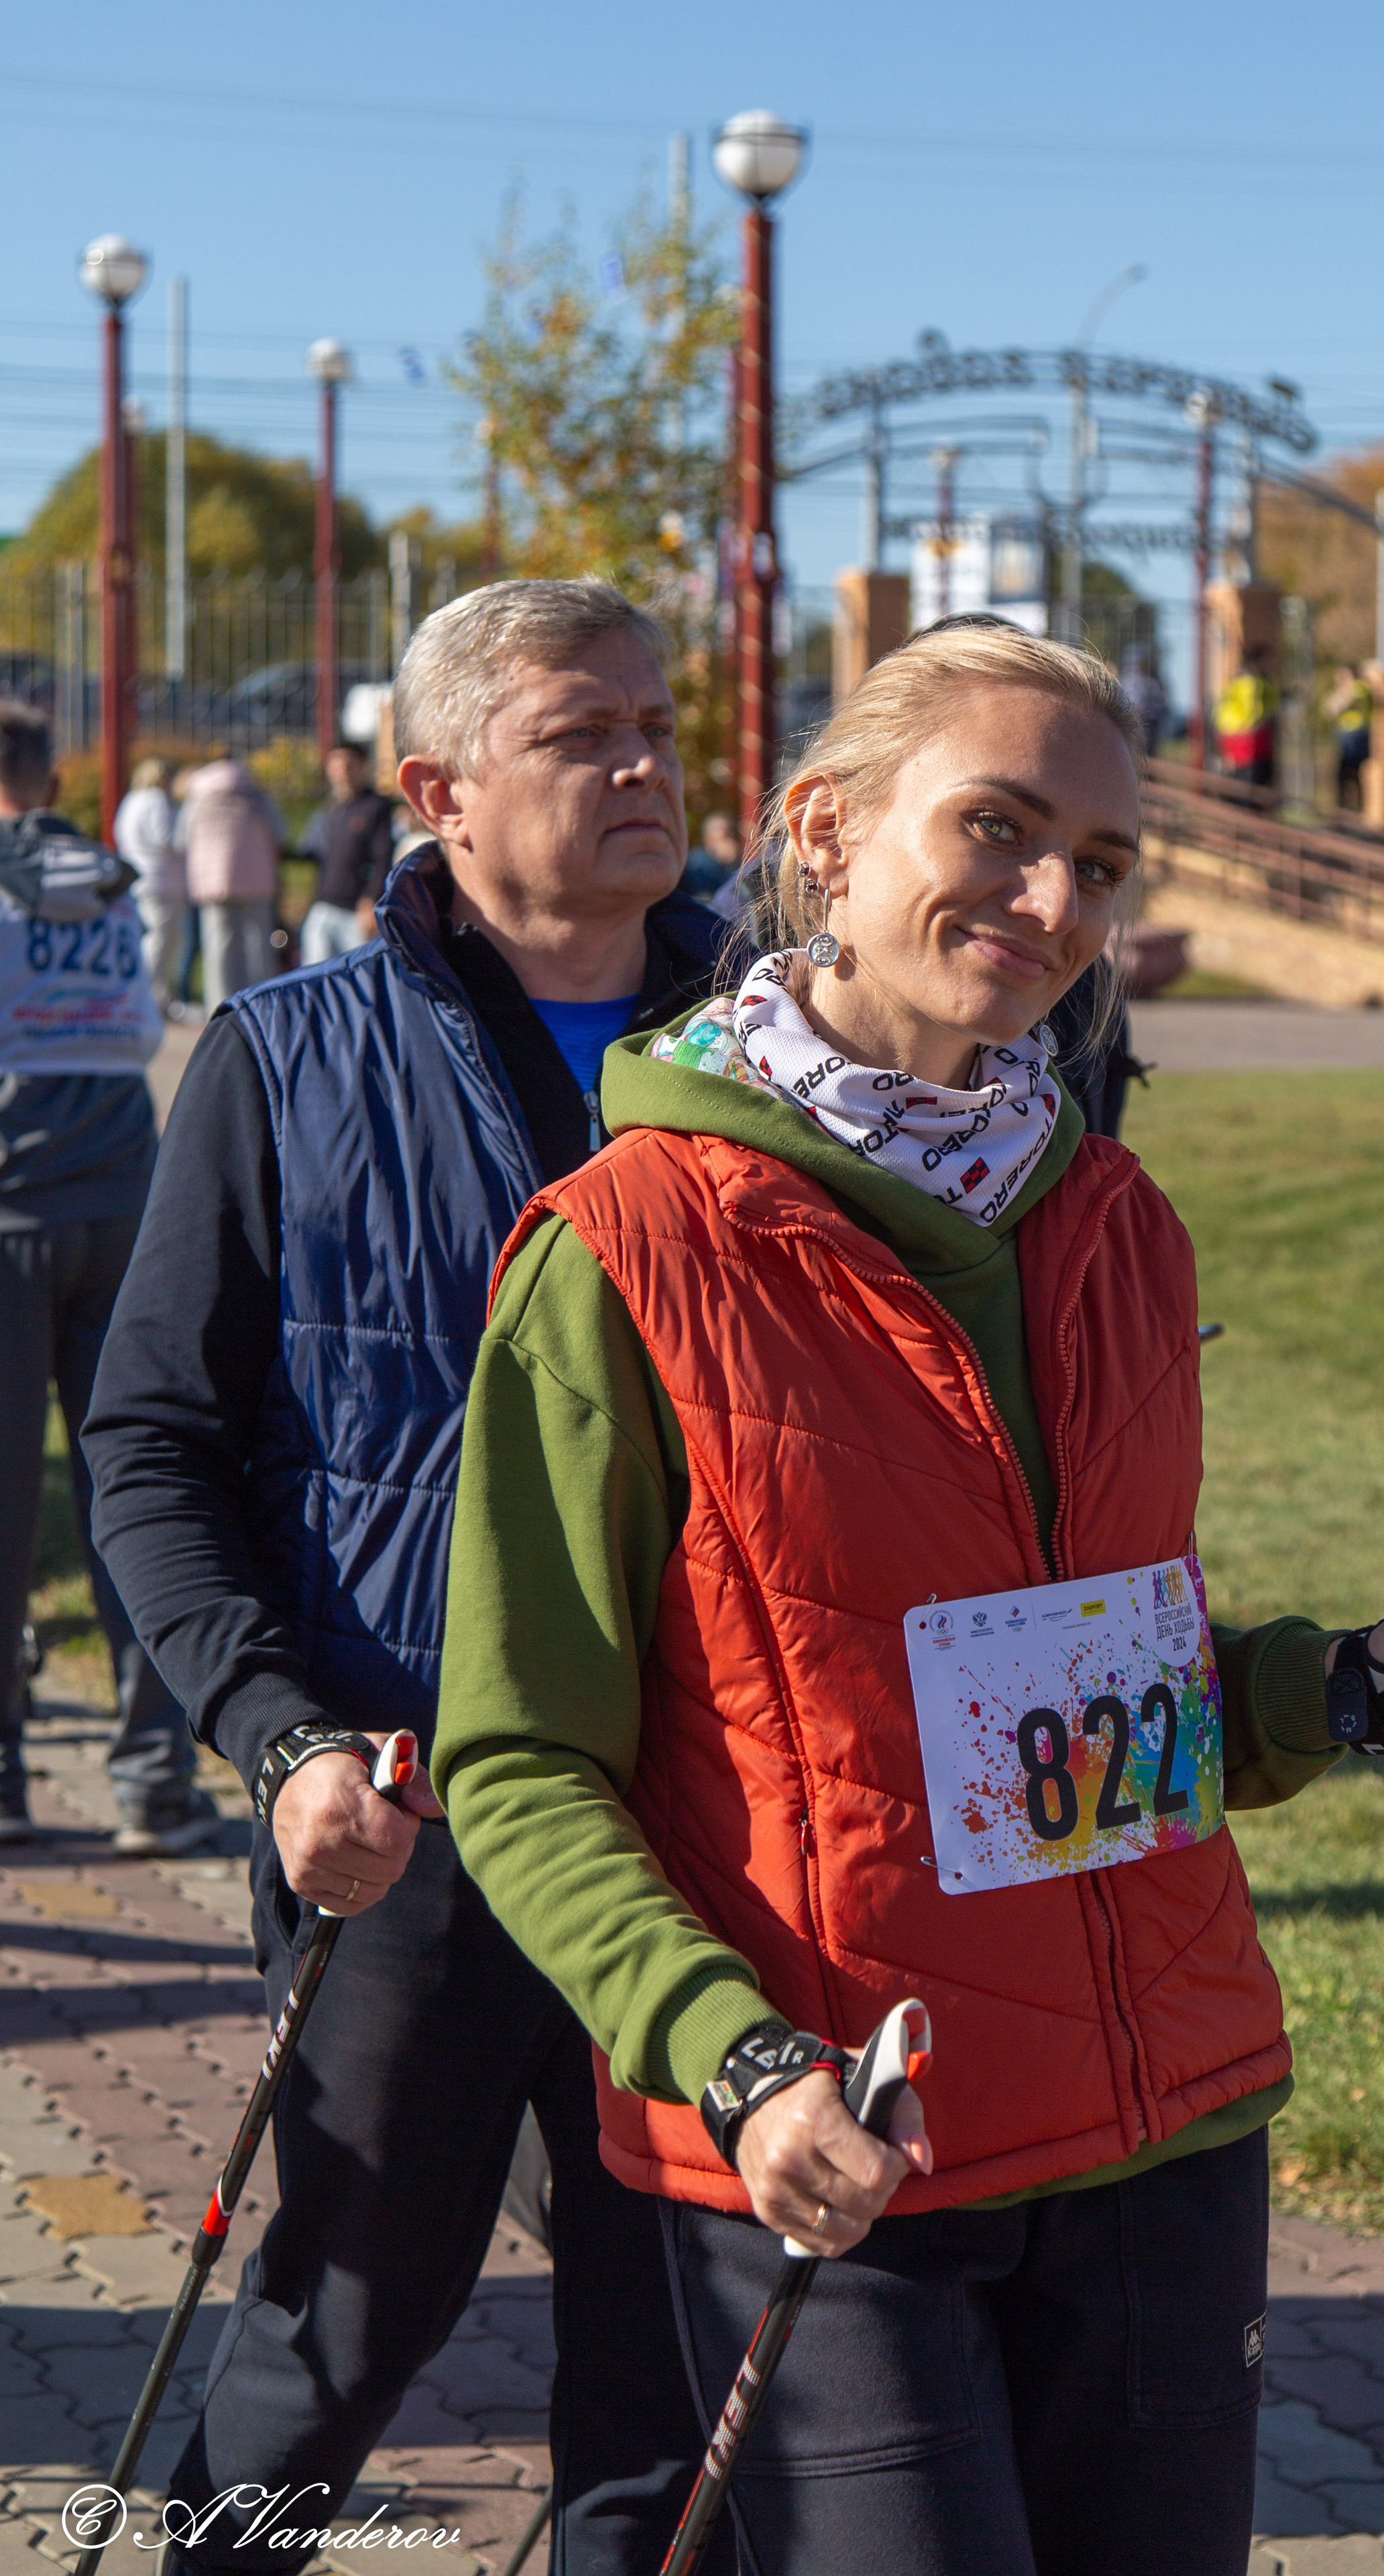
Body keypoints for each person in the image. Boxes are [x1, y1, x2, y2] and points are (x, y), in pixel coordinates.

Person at [433, 624, 1384, 2576]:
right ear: (827, 832)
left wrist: (1339, 1688)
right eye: (998, 827)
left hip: (1162, 2118)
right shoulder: (627, 1245)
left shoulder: (1107, 1214)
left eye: (1102, 864)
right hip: (839, 2130)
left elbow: (1076, 1692)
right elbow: (521, 1754)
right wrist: (729, 2047)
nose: (1051, 899)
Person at [84, 581, 737, 2576]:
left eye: (654, 720)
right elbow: (151, 1445)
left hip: (704, 1822)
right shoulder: (283, 1064)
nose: (643, 761)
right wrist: (275, 1737)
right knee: (336, 2332)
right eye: (581, 730)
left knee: (674, 2370)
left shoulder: (778, 1055)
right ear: (436, 786)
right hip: (407, 1813)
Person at [0, 704, 213, 1855]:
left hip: (10, 1204)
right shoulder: (105, 880)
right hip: (120, 1197)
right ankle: (154, 1780)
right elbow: (139, 1028)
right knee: (131, 1491)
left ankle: (3, 1780)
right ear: (42, 770)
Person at [176, 750, 285, 1006]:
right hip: (257, 881)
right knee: (258, 947)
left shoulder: (197, 796)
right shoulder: (254, 793)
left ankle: (219, 1007)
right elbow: (281, 832)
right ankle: (261, 1005)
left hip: (211, 883)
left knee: (218, 948)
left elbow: (180, 839)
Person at [297, 743, 397, 962]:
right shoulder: (330, 810)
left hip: (355, 912)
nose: (343, 772)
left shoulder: (376, 807)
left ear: (363, 767)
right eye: (337, 765)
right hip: (324, 905)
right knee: (316, 974)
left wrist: (371, 899)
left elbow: (383, 857)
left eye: (349, 765)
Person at [113, 755, 188, 1012]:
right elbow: (167, 839)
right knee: (160, 944)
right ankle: (153, 999)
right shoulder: (157, 801)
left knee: (147, 941)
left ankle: (147, 997)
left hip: (137, 880)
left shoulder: (131, 800)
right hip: (162, 880)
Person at [1214, 643, 1279, 789]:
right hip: (1249, 736)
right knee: (1253, 781)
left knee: (1245, 780)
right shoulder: (1258, 682)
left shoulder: (1235, 680)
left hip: (1235, 735)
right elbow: (1264, 707)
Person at [1323, 663, 1373, 811]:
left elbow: (1335, 708)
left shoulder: (1359, 689)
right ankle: (1346, 808)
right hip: (1348, 735)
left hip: (1356, 736)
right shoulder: (1351, 689)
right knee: (1346, 775)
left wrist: (1341, 692)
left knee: (1350, 774)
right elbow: (1327, 708)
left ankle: (1351, 810)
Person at [682, 809, 742, 904]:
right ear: (708, 838)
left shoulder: (738, 864)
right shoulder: (696, 863)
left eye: (731, 832)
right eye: (725, 834)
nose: (729, 839)